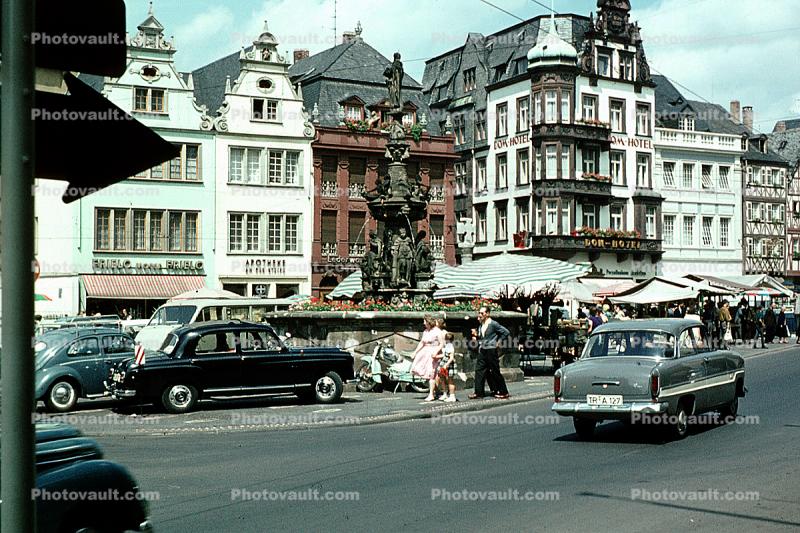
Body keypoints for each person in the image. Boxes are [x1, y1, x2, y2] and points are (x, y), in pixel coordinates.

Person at [468, 306, 510, 400]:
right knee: (479, 370)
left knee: (495, 371)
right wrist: (476, 335)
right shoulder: (481, 324)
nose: (480, 315)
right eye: (479, 313)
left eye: (482, 313)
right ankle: (478, 392)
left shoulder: (493, 324)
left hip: (491, 350)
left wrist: (498, 342)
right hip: (483, 349)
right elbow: (483, 336)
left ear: (487, 314)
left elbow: (506, 332)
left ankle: (504, 392)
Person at [410, 315, 443, 401]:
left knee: (431, 373)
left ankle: (431, 394)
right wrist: (415, 352)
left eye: (424, 321)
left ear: (428, 322)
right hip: (425, 352)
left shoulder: (437, 331)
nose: (423, 323)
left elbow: (441, 344)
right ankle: (436, 392)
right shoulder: (425, 331)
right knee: (425, 372)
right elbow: (422, 343)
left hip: (433, 353)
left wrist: (436, 351)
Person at [437, 332, 457, 402]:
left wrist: (446, 365)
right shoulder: (447, 346)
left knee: (450, 380)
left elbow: (451, 358)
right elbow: (444, 355)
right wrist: (436, 356)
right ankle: (445, 393)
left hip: (447, 365)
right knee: (442, 378)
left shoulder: (450, 347)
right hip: (444, 364)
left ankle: (452, 396)